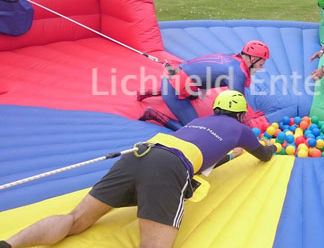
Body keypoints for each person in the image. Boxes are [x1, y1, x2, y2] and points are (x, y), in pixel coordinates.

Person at [1, 90, 277, 248]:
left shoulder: (197, 123)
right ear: (241, 115)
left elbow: (205, 153)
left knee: (74, 220)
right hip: (170, 166)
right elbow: (263, 155)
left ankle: (10, 244)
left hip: (138, 152)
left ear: (215, 109)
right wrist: (271, 148)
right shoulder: (241, 130)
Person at [138, 40, 270, 130]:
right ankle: (153, 114)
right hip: (174, 87)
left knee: (190, 91)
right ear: (253, 59)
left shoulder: (234, 58)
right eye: (260, 64)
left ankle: (149, 92)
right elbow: (238, 103)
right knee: (195, 129)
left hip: (175, 74)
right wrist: (251, 124)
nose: (260, 68)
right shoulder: (238, 72)